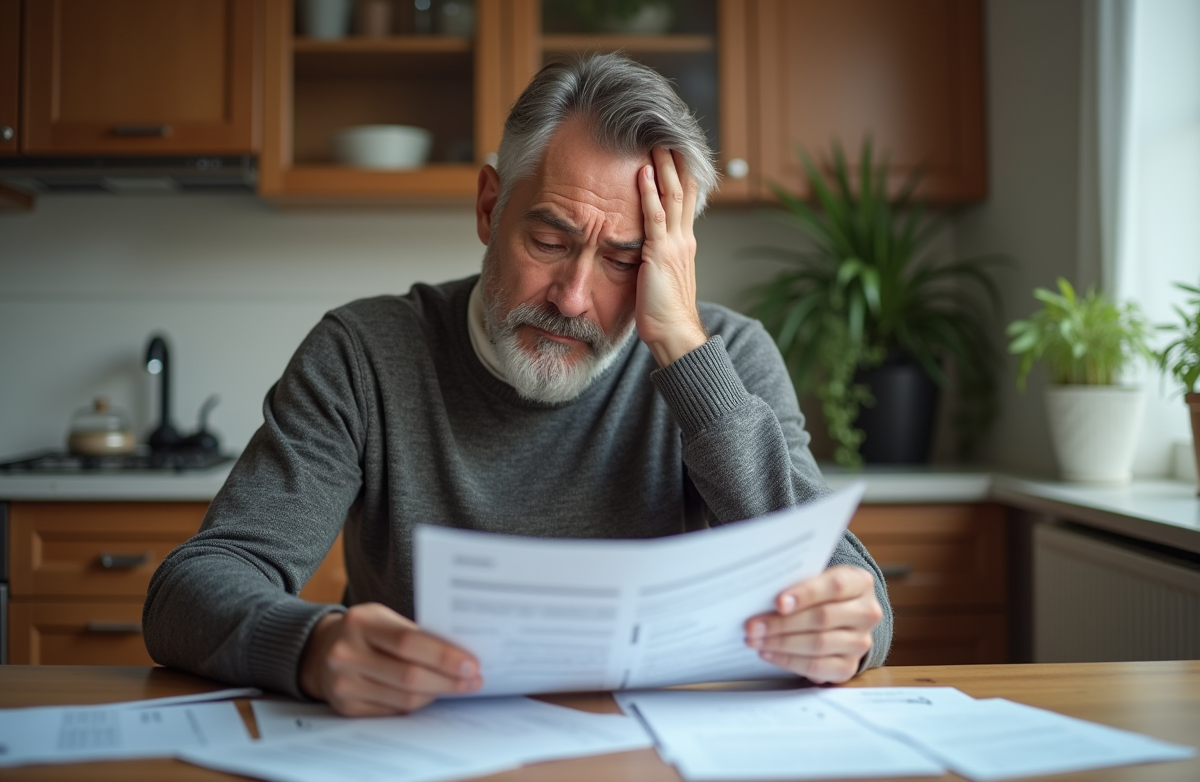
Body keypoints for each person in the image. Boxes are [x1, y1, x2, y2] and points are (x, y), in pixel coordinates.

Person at [143, 54, 892, 716]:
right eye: (549, 240)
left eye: (624, 261)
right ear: (488, 206)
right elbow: (191, 588)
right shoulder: (363, 354)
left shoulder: (723, 357)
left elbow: (857, 599)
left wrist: (683, 352)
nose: (572, 298)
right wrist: (311, 646)